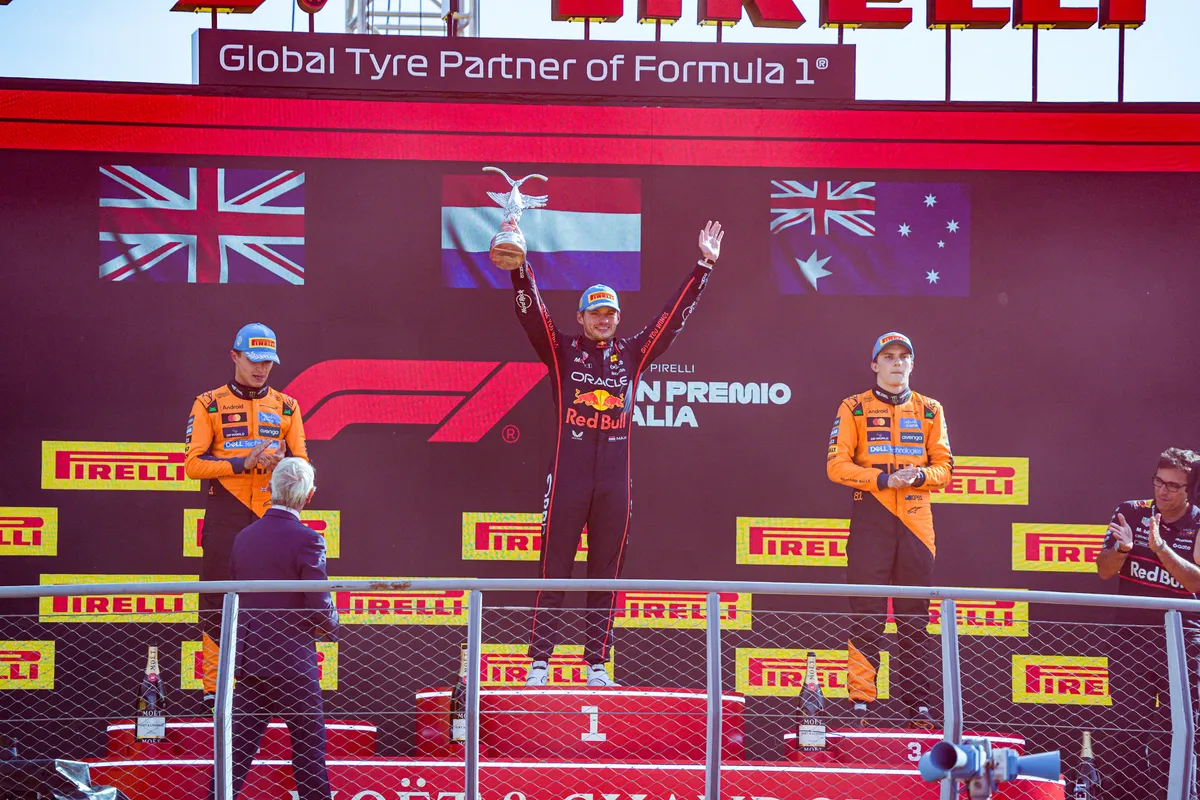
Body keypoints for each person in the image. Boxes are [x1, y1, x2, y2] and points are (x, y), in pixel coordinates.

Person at [510, 219, 724, 688]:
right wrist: (520, 268)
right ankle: (540, 663)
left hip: (613, 482)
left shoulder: (632, 355)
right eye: (595, 313)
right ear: (582, 316)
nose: (603, 319)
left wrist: (703, 267)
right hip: (567, 476)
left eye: (610, 313)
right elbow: (534, 315)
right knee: (554, 569)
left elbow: (671, 318)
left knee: (605, 574)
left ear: (618, 318)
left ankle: (596, 664)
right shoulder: (562, 351)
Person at [826, 332, 953, 726]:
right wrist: (882, 481)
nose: (897, 363)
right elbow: (836, 466)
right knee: (867, 613)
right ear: (875, 365)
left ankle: (918, 706)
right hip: (871, 519)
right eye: (889, 356)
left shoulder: (930, 410)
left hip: (917, 524)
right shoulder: (853, 407)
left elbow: (946, 468)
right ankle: (861, 702)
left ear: (912, 364)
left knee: (915, 617)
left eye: (903, 356)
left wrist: (917, 478)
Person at [184, 323, 308, 706]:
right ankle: (213, 686)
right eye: (254, 360)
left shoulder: (288, 406)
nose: (262, 369)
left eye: (268, 362)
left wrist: (288, 468)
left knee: (278, 598)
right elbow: (192, 464)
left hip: (273, 510)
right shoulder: (209, 403)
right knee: (218, 595)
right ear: (234, 356)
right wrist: (240, 462)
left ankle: (274, 683)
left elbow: (303, 462)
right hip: (227, 507)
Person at [209, 457, 337, 800]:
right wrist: (331, 627)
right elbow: (318, 602)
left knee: (234, 754)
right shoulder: (309, 540)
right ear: (309, 496)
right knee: (310, 755)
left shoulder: (244, 538)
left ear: (269, 489)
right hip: (294, 663)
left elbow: (235, 597)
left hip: (251, 661)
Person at [1096, 447, 1200, 800]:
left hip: (1182, 643)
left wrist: (1160, 550)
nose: (1163, 491)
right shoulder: (1131, 512)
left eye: (1173, 485)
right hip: (1130, 640)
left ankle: (1184, 794)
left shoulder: (1198, 522)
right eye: (1159, 481)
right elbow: (1104, 570)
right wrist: (1123, 550)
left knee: (1184, 729)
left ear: (1190, 491)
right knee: (1126, 729)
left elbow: (1197, 582)